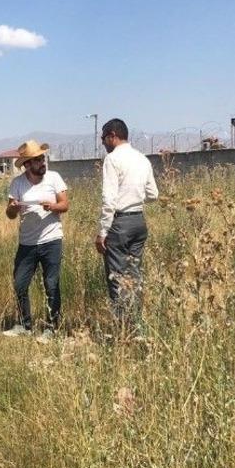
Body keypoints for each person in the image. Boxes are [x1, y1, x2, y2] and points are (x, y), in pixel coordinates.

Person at [94, 118, 158, 334]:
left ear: (113, 135)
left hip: (119, 223)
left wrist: (102, 232)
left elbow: (109, 199)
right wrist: (134, 199)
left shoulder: (112, 160)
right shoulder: (142, 159)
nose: (103, 142)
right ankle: (137, 326)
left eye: (103, 138)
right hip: (138, 221)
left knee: (117, 277)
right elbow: (153, 194)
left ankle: (124, 330)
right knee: (134, 275)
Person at [3, 140, 69, 338]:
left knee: (52, 284)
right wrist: (13, 208)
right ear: (27, 164)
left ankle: (51, 327)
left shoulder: (54, 178)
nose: (43, 162)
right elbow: (10, 214)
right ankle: (24, 325)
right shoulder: (17, 183)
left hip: (51, 240)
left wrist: (52, 206)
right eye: (38, 160)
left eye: (43, 158)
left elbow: (65, 205)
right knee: (20, 284)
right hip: (27, 243)